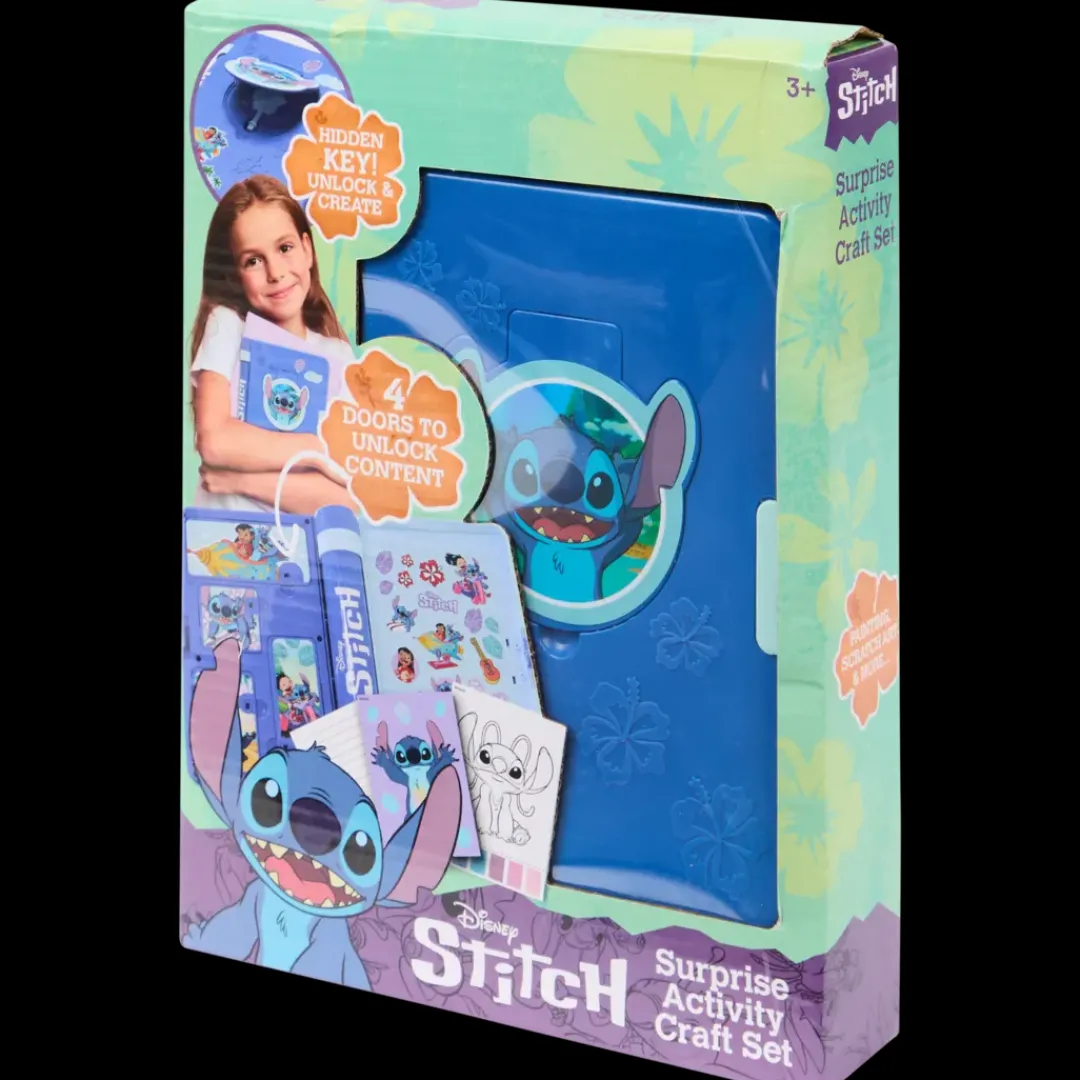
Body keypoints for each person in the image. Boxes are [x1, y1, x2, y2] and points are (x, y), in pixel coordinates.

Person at [189, 174, 355, 514]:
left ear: (307, 249)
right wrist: (316, 449)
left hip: (299, 543)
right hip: (224, 537)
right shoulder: (227, 325)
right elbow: (215, 442)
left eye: (284, 248)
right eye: (253, 260)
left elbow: (348, 499)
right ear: (234, 275)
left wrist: (240, 480)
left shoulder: (338, 355)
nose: (275, 272)